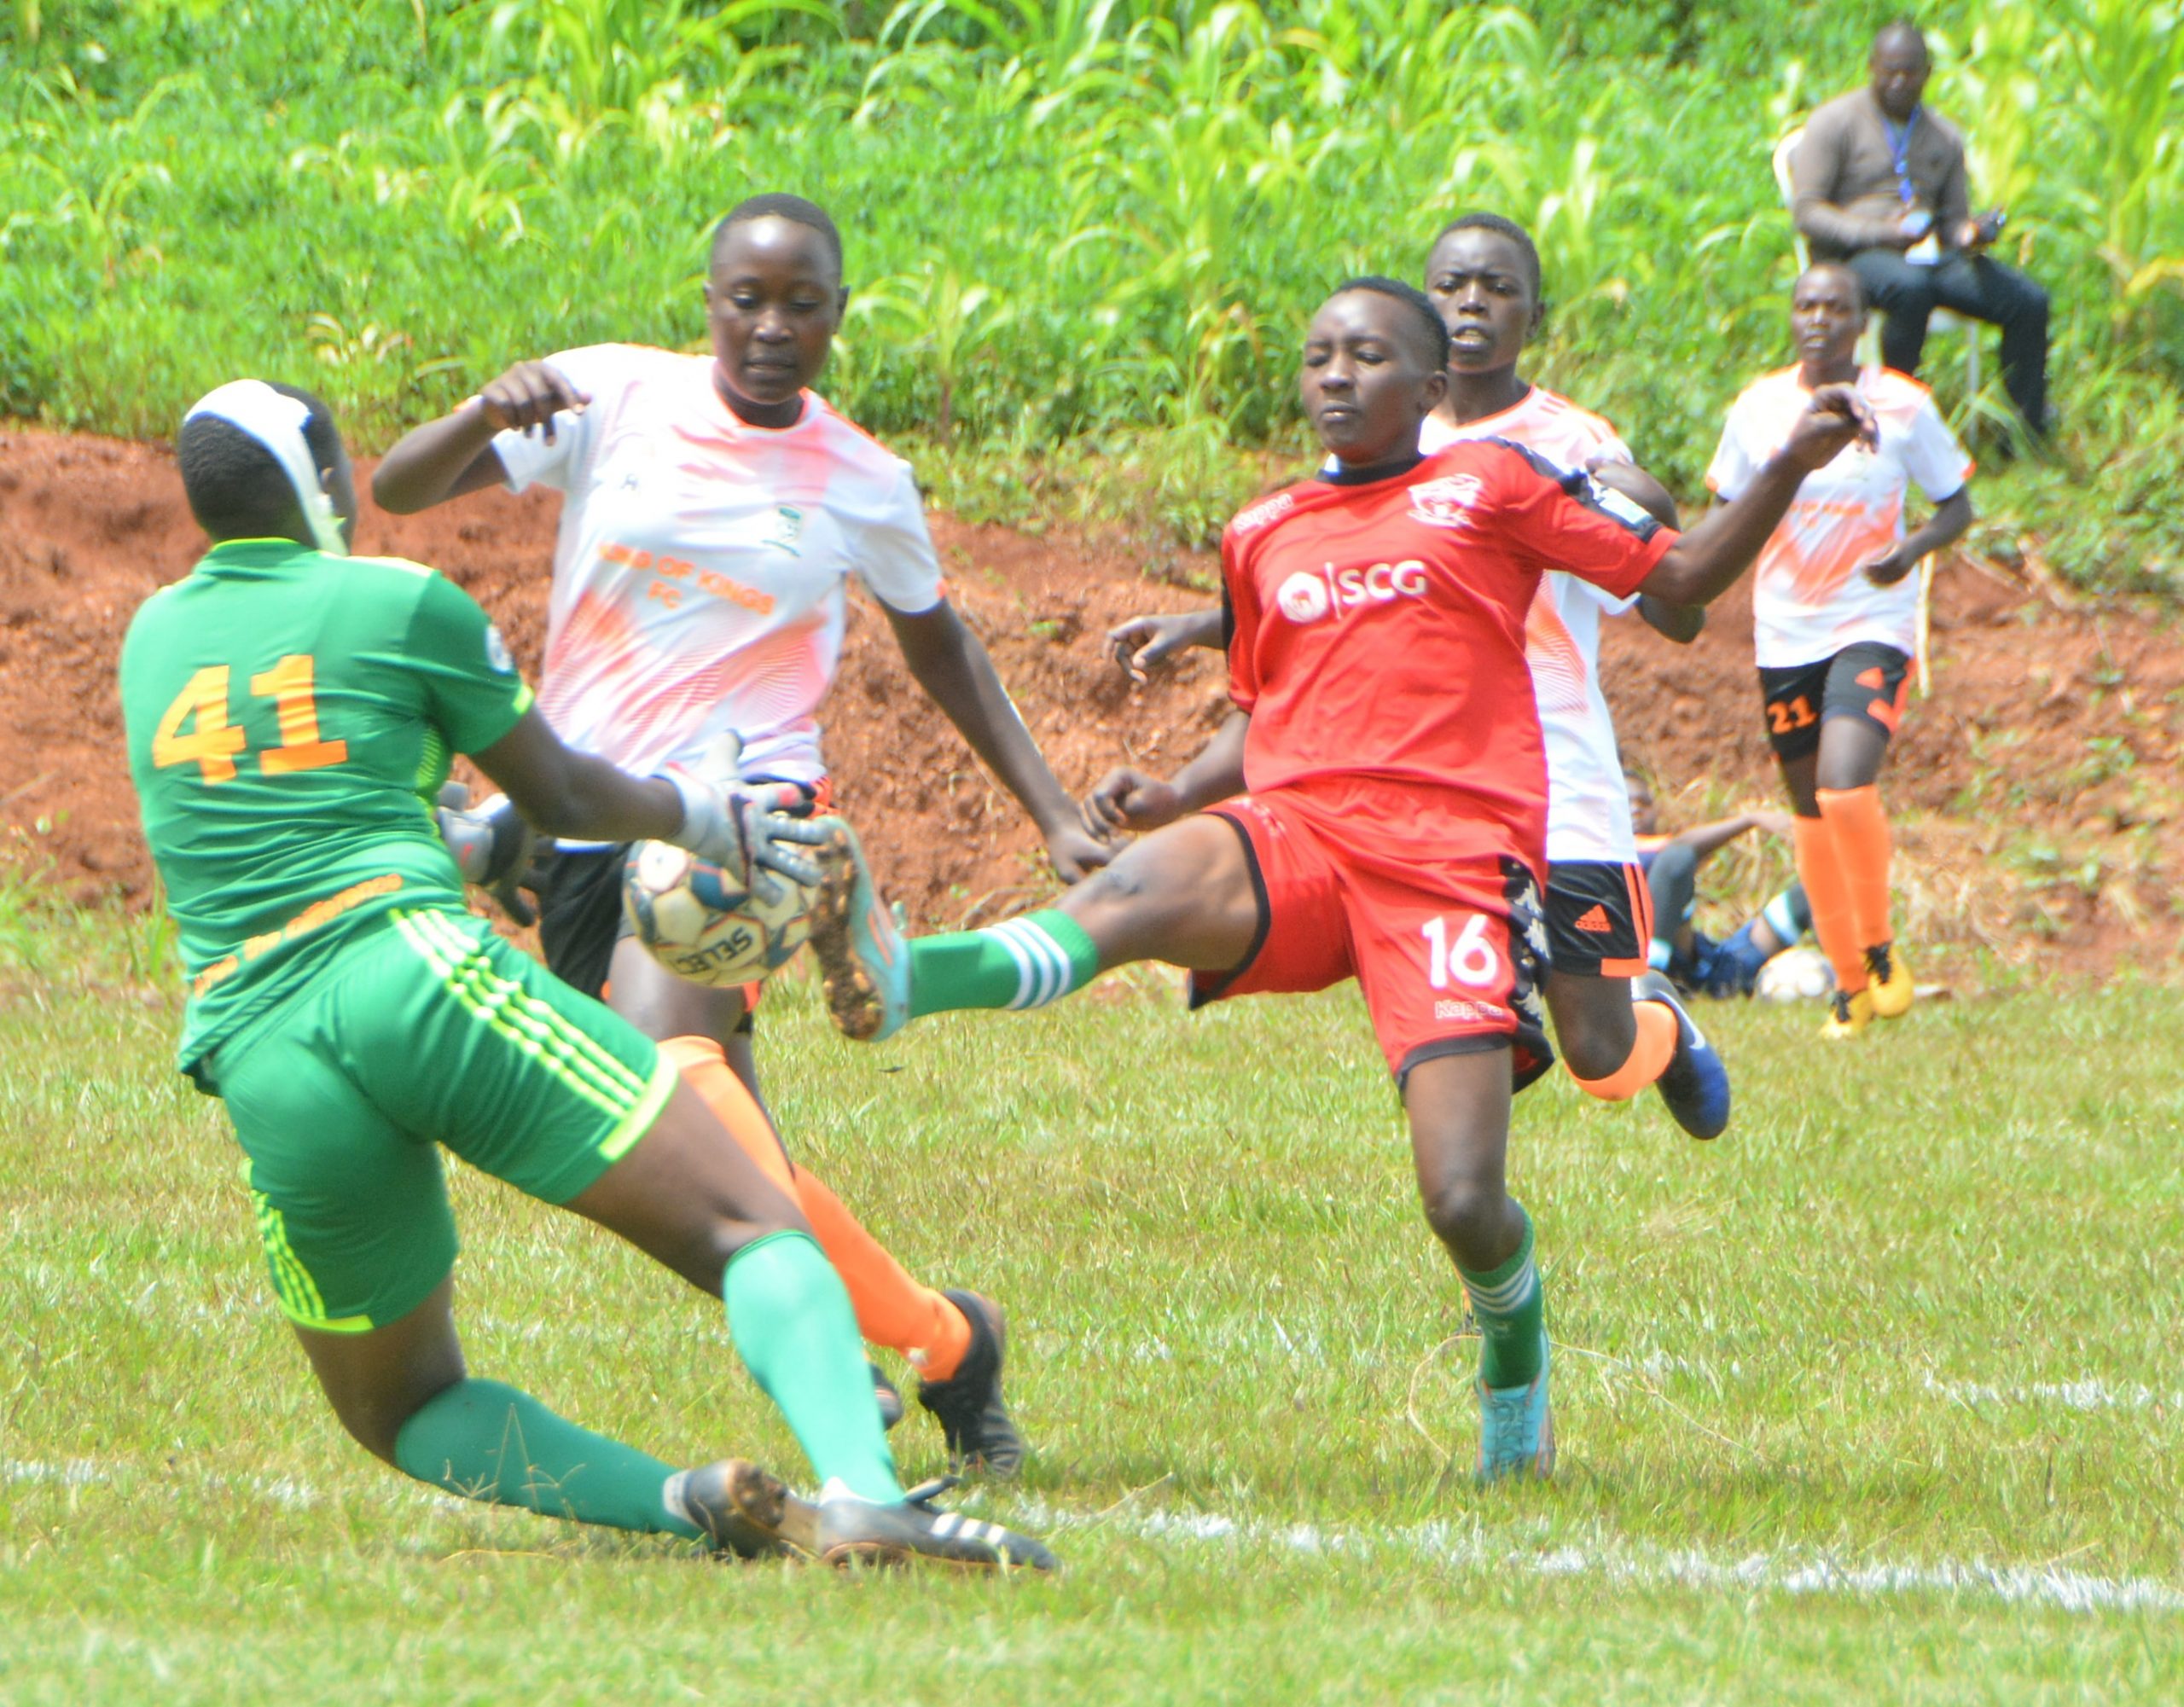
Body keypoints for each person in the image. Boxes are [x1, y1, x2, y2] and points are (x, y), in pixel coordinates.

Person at [806, 279, 1872, 1479]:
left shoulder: (1495, 485)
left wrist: (1786, 463)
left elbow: (1677, 580)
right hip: (1302, 830)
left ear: (1427, 391)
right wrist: (1178, 795)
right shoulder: (1264, 531)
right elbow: (1272, 709)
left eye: (1366, 356)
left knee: (1465, 1199)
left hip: (1449, 871)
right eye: (1317, 355)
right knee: (1128, 895)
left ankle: (1516, 1378)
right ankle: (903, 974)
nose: (1334, 375)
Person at [119, 378, 1054, 1571]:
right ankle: (866, 1494)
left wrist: (472, 841)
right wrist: (702, 815)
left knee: (398, 1404)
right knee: (754, 1221)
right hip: (409, 970)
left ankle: (681, 1501)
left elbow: (304, 809)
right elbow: (562, 791)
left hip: (257, 1043)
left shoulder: (151, 640)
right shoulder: (400, 601)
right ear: (320, 477)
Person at [374, 195, 1101, 1477]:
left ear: (836, 314)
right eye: (745, 300)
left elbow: (941, 647)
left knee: (668, 1069)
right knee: (719, 1166)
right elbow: (396, 487)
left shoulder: (862, 479)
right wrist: (485, 413)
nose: (771, 327)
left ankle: (856, 1358)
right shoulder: (613, 397)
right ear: (707, 299)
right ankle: (944, 1339)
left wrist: (1051, 812)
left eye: (801, 304)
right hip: (584, 809)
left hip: (745, 813)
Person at [1108, 212, 1729, 1142]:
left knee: (1598, 1057)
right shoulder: (1380, 424)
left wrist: (1647, 506)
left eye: (1498, 287)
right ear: (1424, 311)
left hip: (1557, 769)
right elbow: (1327, 582)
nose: (1472, 301)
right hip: (1435, 784)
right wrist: (1207, 625)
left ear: (1534, 315)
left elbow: (1675, 608)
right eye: (1450, 286)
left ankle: (1659, 1022)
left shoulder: (1573, 441)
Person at [1705, 262, 1973, 1038]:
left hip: (1872, 620)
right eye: (1806, 305)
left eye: (1837, 307)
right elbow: (1726, 512)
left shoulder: (1904, 405)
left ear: (1862, 321)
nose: (1819, 318)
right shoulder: (1759, 410)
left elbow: (1957, 506)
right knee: (1808, 814)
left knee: (1844, 785)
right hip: (1785, 629)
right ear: (1792, 318)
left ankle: (1881, 948)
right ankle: (1850, 988)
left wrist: (1912, 549)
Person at [1790, 20, 2049, 444]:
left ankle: (2024, 432)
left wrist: (1969, 234)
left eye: (1910, 72)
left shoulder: (1943, 136)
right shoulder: (1834, 121)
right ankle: (1891, 419)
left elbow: (1952, 223)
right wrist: (1875, 232)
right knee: (1910, 289)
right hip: (1855, 256)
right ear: (1871, 66)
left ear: (1927, 74)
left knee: (2028, 301)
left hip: (1928, 256)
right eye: (1889, 70)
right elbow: (1808, 211)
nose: (1898, 81)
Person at [1627, 775, 1812, 998]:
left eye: (1644, 803)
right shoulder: (1614, 857)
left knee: (1814, 891)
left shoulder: (1670, 854)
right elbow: (1679, 851)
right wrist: (1749, 820)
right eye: (1627, 803)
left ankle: (1853, 979)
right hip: (1660, 972)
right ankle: (1652, 976)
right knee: (1676, 859)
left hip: (1707, 967)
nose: (1636, 810)